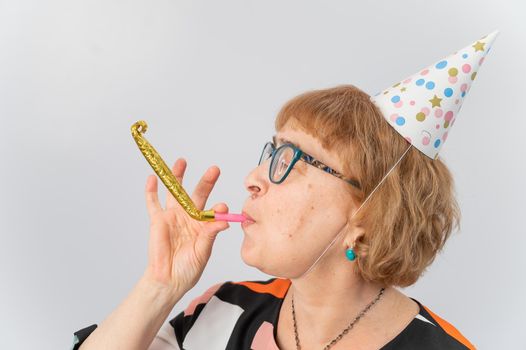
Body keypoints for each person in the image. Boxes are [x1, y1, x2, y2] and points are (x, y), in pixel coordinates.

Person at [72, 31, 498, 349]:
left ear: (367, 214)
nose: (253, 178)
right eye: (270, 152)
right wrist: (159, 286)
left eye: (289, 160)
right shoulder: (221, 311)